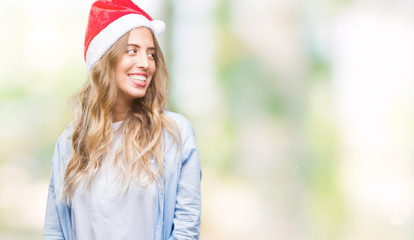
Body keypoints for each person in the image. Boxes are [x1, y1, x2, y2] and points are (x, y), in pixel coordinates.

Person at [44, 0, 202, 239]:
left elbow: (186, 228)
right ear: (105, 58)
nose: (145, 63)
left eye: (151, 54)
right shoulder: (69, 143)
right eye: (132, 51)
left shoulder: (174, 134)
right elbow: (55, 231)